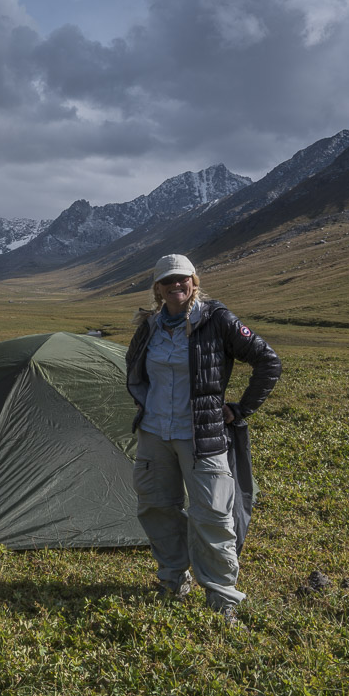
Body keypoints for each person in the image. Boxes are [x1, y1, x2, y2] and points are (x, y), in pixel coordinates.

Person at [125, 254, 281, 625]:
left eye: (182, 279)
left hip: (202, 436)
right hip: (154, 433)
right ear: (158, 289)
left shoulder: (216, 319)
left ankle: (223, 598)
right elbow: (134, 367)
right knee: (157, 508)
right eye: (168, 281)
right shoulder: (149, 327)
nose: (176, 286)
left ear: (194, 281)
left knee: (211, 513)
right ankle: (171, 580)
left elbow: (267, 361)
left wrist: (240, 409)